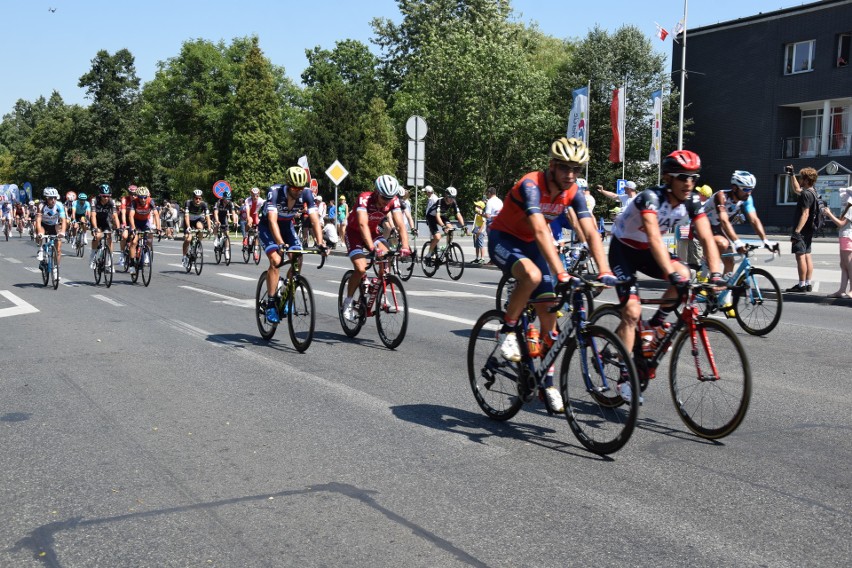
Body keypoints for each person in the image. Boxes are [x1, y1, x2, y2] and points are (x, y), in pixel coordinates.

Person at [488, 137, 618, 414]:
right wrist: (560, 272)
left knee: (550, 317)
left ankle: (547, 383)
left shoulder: (572, 192)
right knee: (533, 276)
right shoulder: (531, 185)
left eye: (576, 169)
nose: (570, 175)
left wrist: (604, 270)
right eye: (564, 168)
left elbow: (591, 230)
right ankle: (508, 329)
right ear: (552, 166)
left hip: (533, 244)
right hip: (505, 238)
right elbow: (538, 230)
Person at [609, 149, 723, 403]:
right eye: (683, 177)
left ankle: (656, 323)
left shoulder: (692, 202)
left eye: (694, 178)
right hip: (624, 251)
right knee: (631, 311)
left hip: (648, 251)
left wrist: (715, 274)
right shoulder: (650, 198)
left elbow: (706, 236)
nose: (689, 183)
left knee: (685, 272)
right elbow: (653, 237)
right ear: (668, 178)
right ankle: (625, 377)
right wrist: (671, 274)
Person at [257, 166, 327, 323]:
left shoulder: (307, 194)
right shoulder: (275, 192)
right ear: (288, 185)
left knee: (298, 258)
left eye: (301, 187)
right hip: (267, 227)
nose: (298, 191)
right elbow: (272, 221)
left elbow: (315, 220)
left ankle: (288, 293)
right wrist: (281, 243)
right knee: (276, 261)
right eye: (295, 187)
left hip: (287, 226)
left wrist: (320, 243)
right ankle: (270, 303)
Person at [341, 175, 411, 322]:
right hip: (355, 233)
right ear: (377, 192)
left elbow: (400, 225)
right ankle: (347, 302)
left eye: (390, 198)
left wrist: (405, 246)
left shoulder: (393, 200)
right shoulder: (364, 199)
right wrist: (372, 249)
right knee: (360, 268)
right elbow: (362, 224)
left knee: (387, 257)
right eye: (384, 197)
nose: (387, 201)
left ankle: (383, 295)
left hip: (373, 233)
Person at [702, 171, 778, 275]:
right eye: (746, 189)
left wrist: (765, 240)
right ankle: (705, 266)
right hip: (702, 226)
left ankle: (723, 290)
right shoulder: (721, 196)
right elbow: (724, 220)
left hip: (717, 228)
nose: (749, 193)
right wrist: (737, 242)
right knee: (722, 243)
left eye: (751, 189)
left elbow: (754, 220)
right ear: (734, 188)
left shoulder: (746, 199)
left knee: (729, 262)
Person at [786, 166, 819, 292]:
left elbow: (805, 214)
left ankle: (801, 285)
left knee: (800, 256)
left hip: (802, 230)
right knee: (807, 255)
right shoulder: (812, 192)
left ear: (806, 179)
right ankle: (808, 283)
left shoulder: (806, 194)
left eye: (801, 177)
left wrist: (797, 232)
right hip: (809, 229)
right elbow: (796, 189)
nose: (799, 179)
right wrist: (791, 175)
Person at [821, 187, 852, 298]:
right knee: (844, 265)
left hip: (847, 237)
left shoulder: (851, 209)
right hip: (844, 237)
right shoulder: (848, 209)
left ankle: (851, 290)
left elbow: (841, 224)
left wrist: (829, 214)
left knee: (849, 265)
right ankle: (842, 290)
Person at [127, 187, 161, 274]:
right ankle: (131, 264)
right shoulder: (134, 202)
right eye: (141, 197)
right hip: (136, 222)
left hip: (145, 222)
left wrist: (158, 227)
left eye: (145, 197)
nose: (143, 199)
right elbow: (131, 216)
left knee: (150, 237)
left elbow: (156, 214)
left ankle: (146, 254)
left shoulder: (150, 201)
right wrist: (133, 228)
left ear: (147, 196)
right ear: (138, 196)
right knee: (134, 242)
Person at [35, 187, 67, 280]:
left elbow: (63, 220)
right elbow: (38, 220)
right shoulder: (41, 205)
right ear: (46, 198)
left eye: (55, 198)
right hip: (43, 224)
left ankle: (56, 269)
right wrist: (39, 234)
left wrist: (63, 232)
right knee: (40, 232)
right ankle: (40, 249)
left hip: (54, 225)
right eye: (50, 198)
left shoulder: (59, 205)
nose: (53, 200)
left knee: (58, 248)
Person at [425, 186, 465, 257]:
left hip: (441, 216)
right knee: (437, 237)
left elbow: (458, 214)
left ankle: (447, 249)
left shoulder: (453, 202)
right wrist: (443, 226)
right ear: (446, 195)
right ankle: (429, 253)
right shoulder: (440, 201)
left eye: (453, 197)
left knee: (451, 229)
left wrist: (463, 226)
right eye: (450, 197)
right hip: (431, 217)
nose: (451, 199)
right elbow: (437, 216)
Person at [89, 184, 120, 270]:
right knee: (98, 236)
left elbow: (115, 216)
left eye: (108, 196)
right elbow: (93, 215)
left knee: (109, 237)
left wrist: (118, 228)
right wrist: (95, 227)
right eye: (104, 196)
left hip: (106, 221)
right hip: (96, 221)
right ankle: (92, 256)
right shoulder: (94, 201)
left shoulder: (111, 201)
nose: (106, 198)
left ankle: (110, 261)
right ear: (100, 195)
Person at [182, 189, 212, 267]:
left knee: (200, 228)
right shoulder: (188, 203)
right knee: (188, 239)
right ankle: (184, 256)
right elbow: (186, 216)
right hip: (188, 220)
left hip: (198, 220)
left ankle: (198, 245)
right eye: (196, 198)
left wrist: (209, 228)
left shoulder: (204, 204)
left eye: (199, 198)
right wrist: (188, 227)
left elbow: (207, 216)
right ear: (193, 198)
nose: (198, 200)